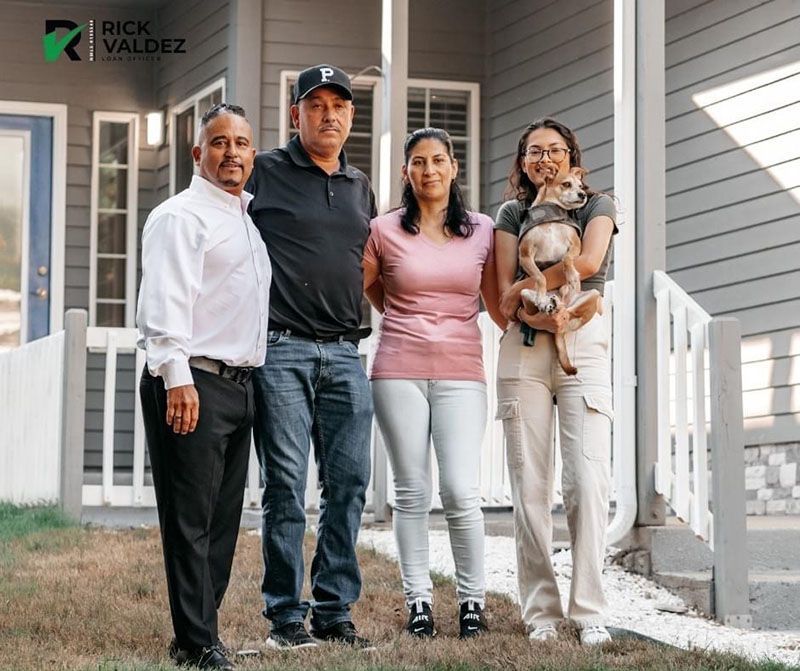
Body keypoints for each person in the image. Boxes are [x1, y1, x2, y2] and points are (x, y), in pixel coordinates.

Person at [247, 64, 376, 650]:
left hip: (346, 352)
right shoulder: (264, 171)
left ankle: (333, 610)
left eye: (339, 106)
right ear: (295, 113)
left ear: (351, 115)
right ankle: (285, 617)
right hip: (283, 348)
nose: (329, 115)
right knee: (286, 487)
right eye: (316, 105)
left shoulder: (358, 184)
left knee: (349, 484)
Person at [137, 103, 270, 670]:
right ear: (198, 154)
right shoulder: (180, 216)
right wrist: (177, 378)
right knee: (190, 518)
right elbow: (164, 302)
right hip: (191, 382)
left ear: (253, 154)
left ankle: (197, 633)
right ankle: (196, 643)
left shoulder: (245, 220)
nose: (231, 152)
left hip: (238, 386)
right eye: (219, 142)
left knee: (221, 521)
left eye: (241, 143)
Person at [362, 127, 504, 639]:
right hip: (397, 369)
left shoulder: (482, 230)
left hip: (462, 371)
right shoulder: (383, 229)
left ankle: (472, 603)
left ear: (453, 167)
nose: (429, 170)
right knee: (412, 491)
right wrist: (406, 317)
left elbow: (496, 303)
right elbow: (369, 287)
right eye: (419, 162)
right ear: (406, 172)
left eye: (438, 160)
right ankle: (419, 602)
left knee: (461, 490)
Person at [493, 118, 618, 646]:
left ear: (572, 157)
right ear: (523, 162)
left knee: (587, 479)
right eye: (534, 152)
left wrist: (532, 291)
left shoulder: (597, 204)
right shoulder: (511, 214)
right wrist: (532, 311)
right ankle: (541, 613)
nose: (545, 159)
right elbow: (502, 295)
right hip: (525, 345)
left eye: (555, 150)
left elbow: (587, 262)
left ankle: (588, 610)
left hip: (581, 342)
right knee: (529, 484)